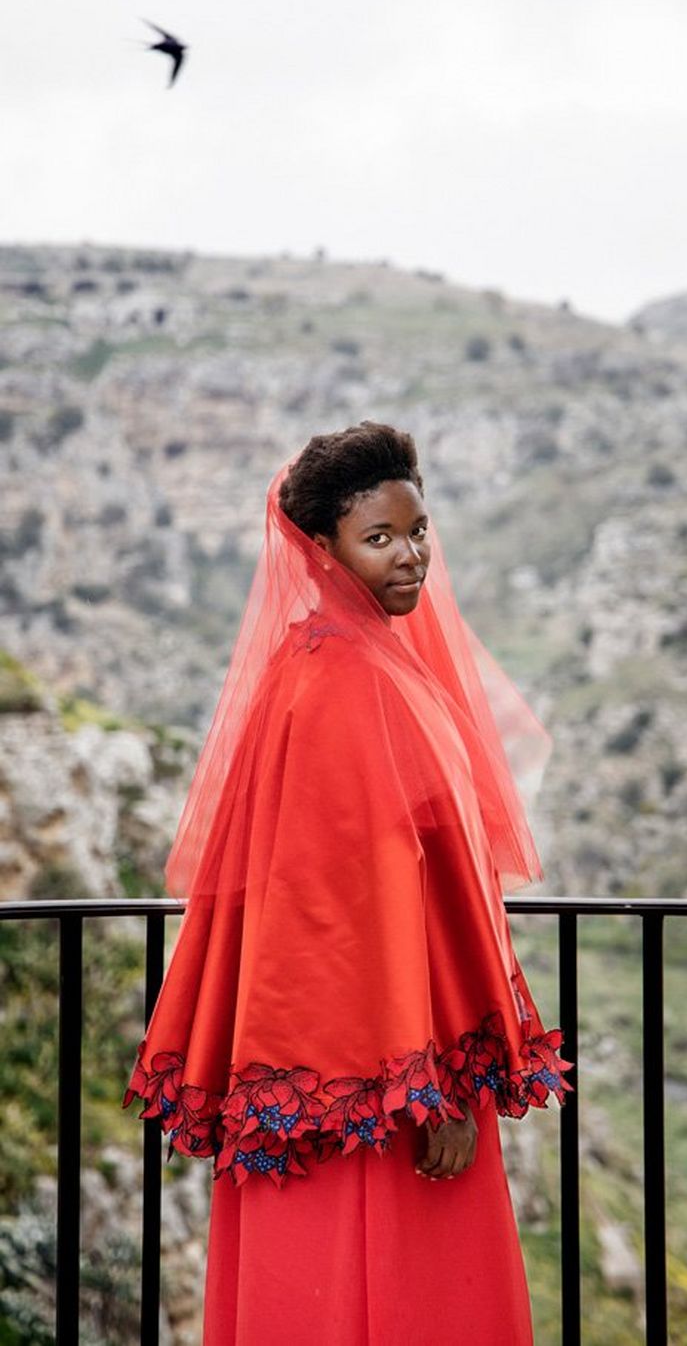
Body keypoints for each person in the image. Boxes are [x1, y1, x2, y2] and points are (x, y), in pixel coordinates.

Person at [124, 420, 573, 1345]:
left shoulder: (321, 663)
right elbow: (359, 911)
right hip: (388, 1088)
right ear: (320, 547)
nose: (410, 556)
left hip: (335, 1071)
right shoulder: (348, 680)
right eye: (380, 539)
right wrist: (442, 1084)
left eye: (418, 531)